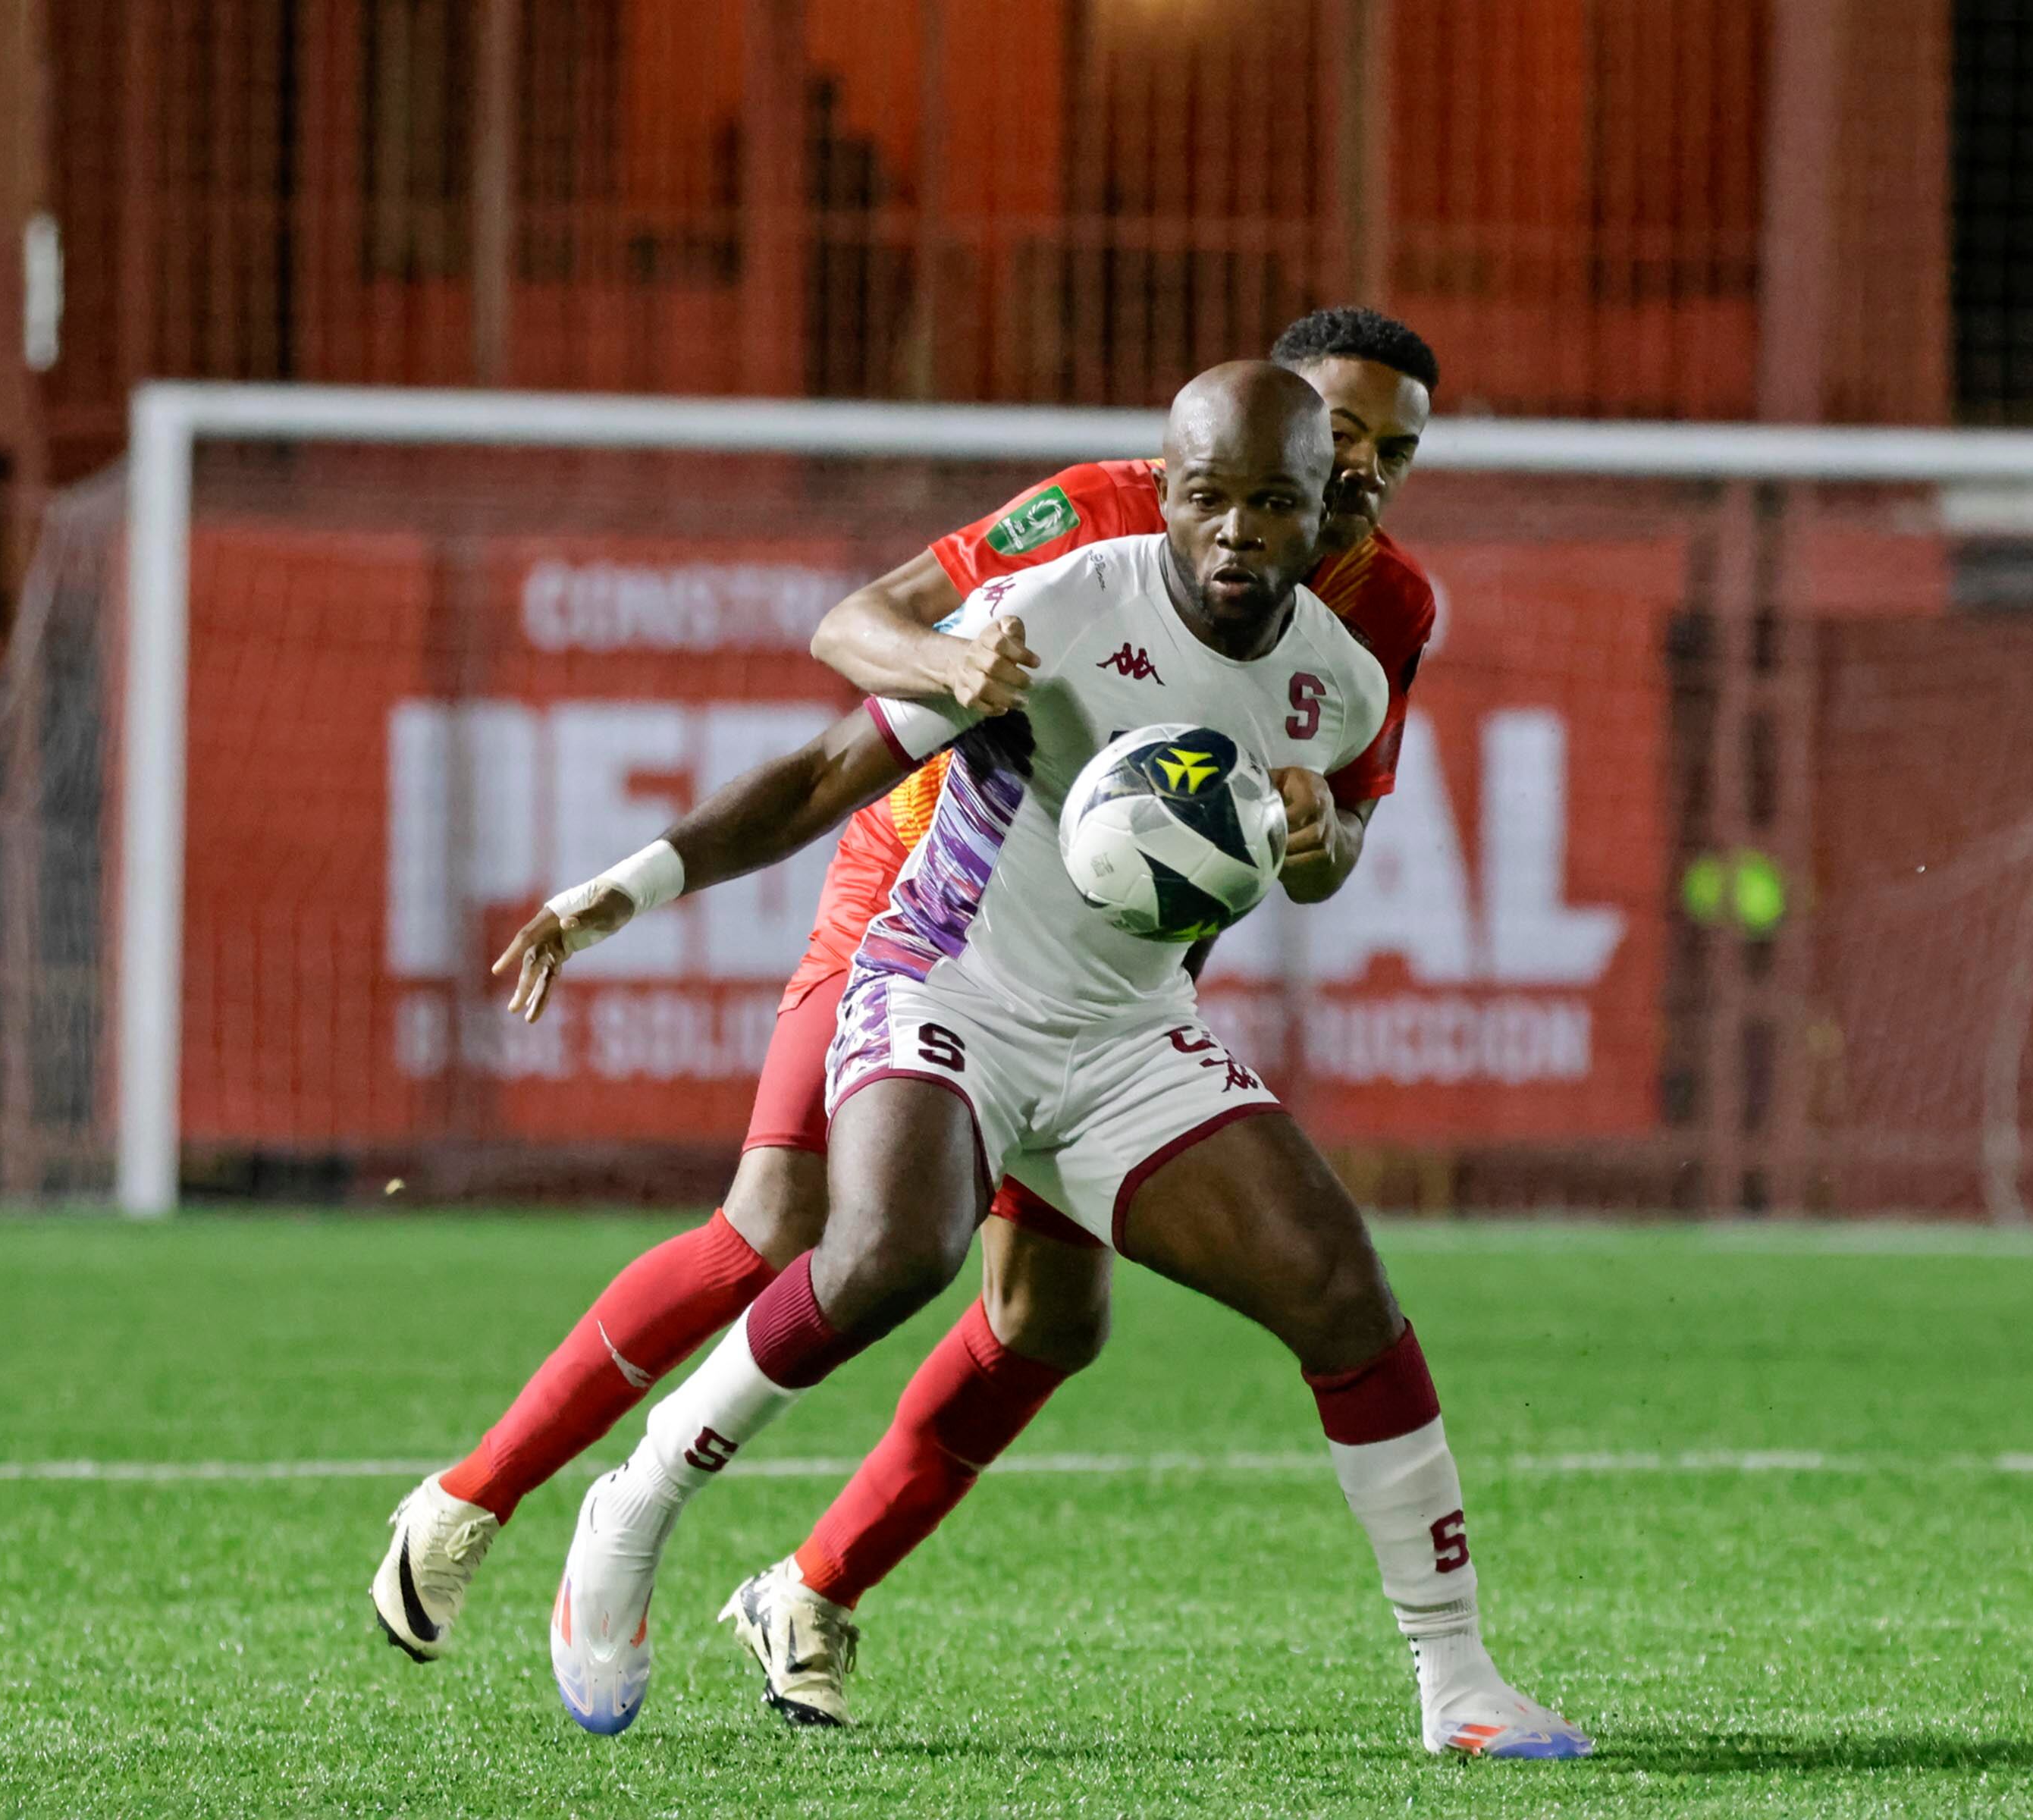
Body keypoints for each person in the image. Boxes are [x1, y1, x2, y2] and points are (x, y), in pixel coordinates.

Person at [549, 362, 1590, 1760]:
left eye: (1271, 507)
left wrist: (1315, 837)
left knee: (1344, 1294)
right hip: (951, 985)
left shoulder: (1341, 679)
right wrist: (625, 890)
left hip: (1126, 1034)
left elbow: (1337, 842)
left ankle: (1458, 1684)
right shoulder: (1062, 604)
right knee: (894, 1253)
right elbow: (820, 777)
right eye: (1207, 500)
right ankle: (642, 1500)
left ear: (1320, 514)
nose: (1235, 534)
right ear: (1164, 491)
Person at [370, 310, 1439, 1667]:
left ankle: (809, 1590)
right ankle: (474, 1499)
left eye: (1394, 453)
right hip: (926, 885)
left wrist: (1313, 839)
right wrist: (945, 666)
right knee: (787, 1220)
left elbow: (1334, 844)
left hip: (1111, 974)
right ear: (1264, 417)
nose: (1364, 472)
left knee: (1051, 1319)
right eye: (1342, 433)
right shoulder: (1108, 516)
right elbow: (859, 626)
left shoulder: (1386, 609)